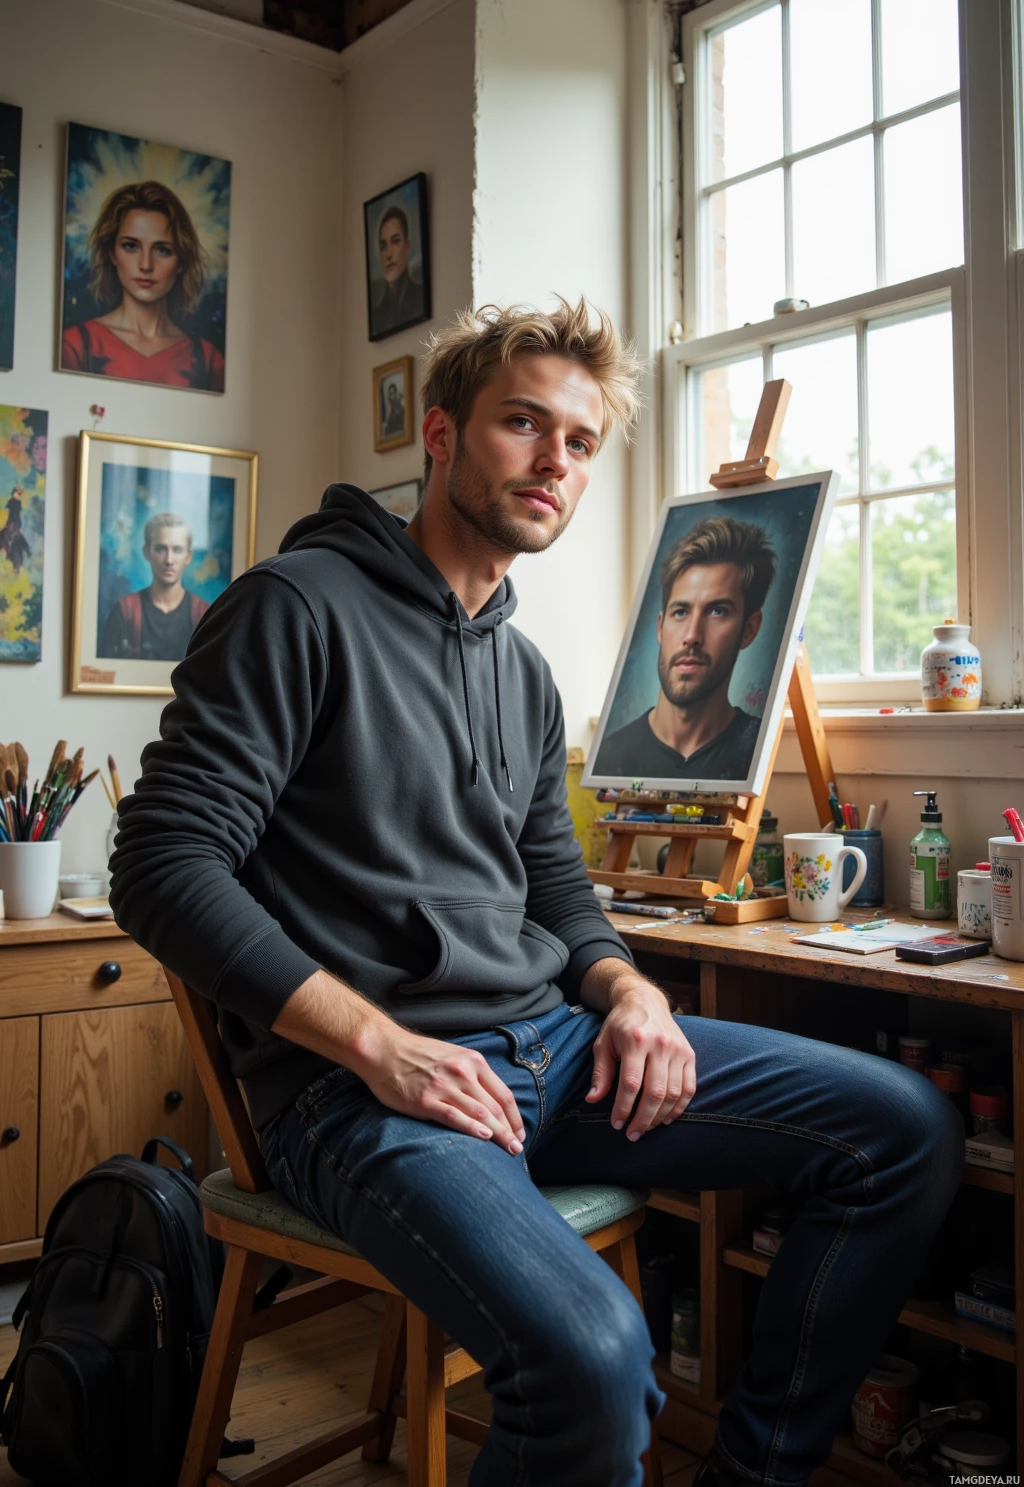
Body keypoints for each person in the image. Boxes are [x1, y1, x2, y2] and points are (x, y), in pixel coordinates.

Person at [110, 299, 962, 1487]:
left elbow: (554, 883)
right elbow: (160, 863)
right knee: (592, 1361)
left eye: (579, 441)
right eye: (523, 423)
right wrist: (379, 1045)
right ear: (442, 436)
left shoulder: (521, 668)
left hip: (551, 1052)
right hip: (366, 1093)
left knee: (902, 1131)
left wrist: (628, 991)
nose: (554, 460)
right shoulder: (294, 607)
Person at [594, 517, 775, 782]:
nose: (691, 636)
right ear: (660, 627)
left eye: (717, 611)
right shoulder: (611, 756)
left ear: (749, 629)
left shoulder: (756, 749)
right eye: (680, 612)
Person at [61, 180, 225, 392]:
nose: (146, 265)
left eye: (162, 250)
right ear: (112, 253)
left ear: (181, 262)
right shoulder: (75, 345)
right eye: (131, 246)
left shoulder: (209, 360)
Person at [99, 511, 209, 662]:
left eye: (177, 550)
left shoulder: (204, 614)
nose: (169, 560)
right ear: (146, 552)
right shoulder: (125, 610)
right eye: (161, 549)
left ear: (188, 556)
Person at [372, 205, 423, 334]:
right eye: (383, 246)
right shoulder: (377, 317)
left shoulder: (419, 300)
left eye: (395, 241)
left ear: (407, 245)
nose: (388, 254)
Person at [0, 486, 29, 571]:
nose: (18, 495)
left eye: (19, 494)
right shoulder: (11, 502)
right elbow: (7, 510)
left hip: (16, 522)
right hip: (11, 521)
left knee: (19, 538)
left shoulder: (18, 503)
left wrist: (17, 525)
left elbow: (18, 515)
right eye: (17, 493)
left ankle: (27, 551)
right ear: (13, 493)